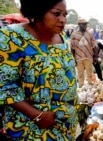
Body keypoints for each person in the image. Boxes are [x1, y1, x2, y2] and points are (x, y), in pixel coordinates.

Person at [0, 0, 79, 140]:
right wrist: (36, 115)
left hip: (66, 126)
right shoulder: (11, 38)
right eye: (56, 14)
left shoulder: (63, 38)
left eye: (64, 15)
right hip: (33, 127)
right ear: (38, 11)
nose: (62, 20)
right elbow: (5, 86)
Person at [70, 18, 96, 86]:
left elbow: (94, 45)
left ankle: (90, 85)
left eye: (86, 24)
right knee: (80, 73)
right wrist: (73, 58)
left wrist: (95, 56)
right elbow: (72, 47)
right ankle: (81, 86)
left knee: (89, 72)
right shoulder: (74, 34)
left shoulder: (90, 34)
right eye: (83, 24)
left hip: (88, 56)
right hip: (78, 57)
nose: (85, 25)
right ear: (79, 24)